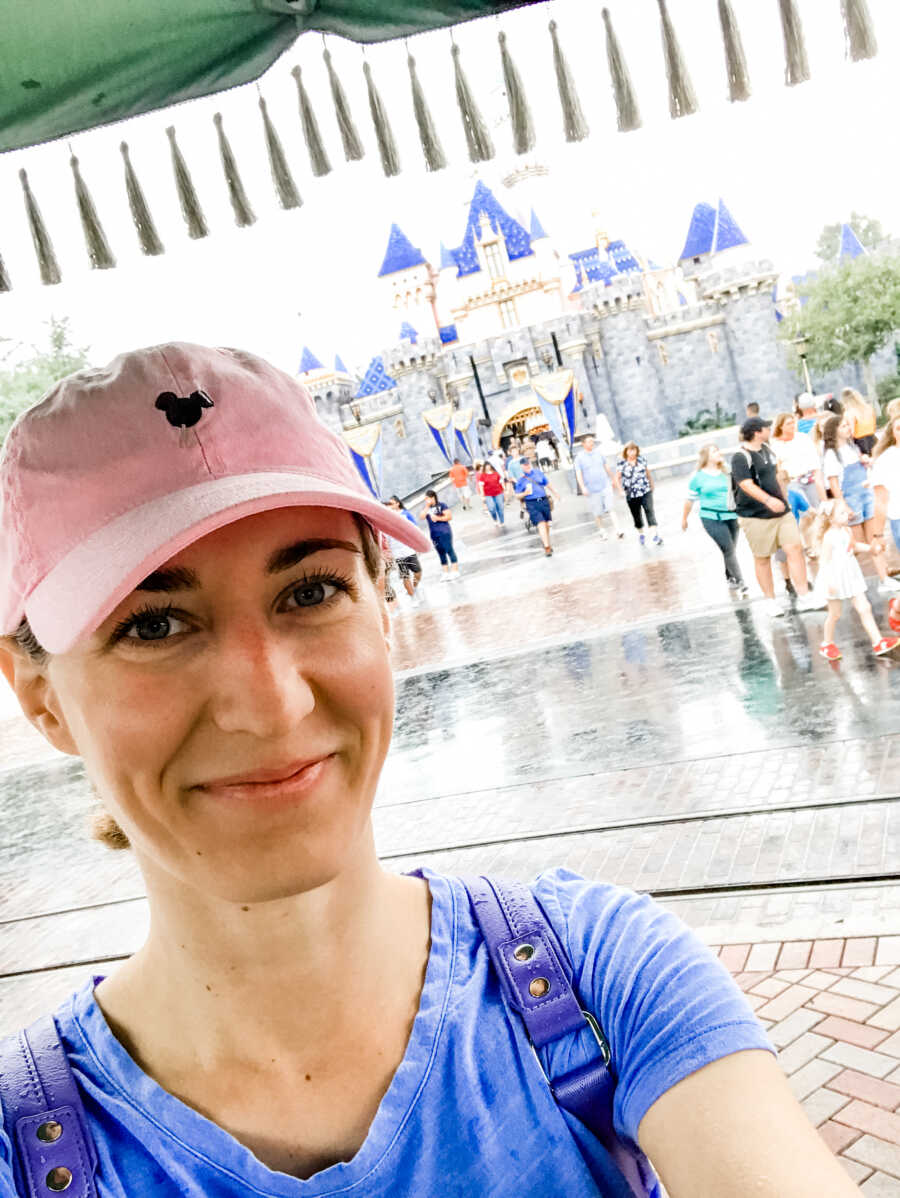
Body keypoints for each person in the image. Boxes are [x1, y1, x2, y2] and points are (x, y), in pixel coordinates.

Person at [0, 343, 863, 1198]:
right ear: (40, 696)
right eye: (155, 626)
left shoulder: (606, 983)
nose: (271, 705)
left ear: (382, 611)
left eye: (309, 593)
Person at [730, 417, 823, 616]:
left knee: (795, 549)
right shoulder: (740, 456)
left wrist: (785, 496)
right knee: (762, 558)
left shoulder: (768, 449)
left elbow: (778, 474)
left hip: (782, 512)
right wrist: (768, 500)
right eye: (766, 427)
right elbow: (745, 484)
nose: (769, 429)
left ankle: (804, 596)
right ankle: (770, 601)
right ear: (756, 431)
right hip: (756, 515)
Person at [821, 413, 899, 595]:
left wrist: (865, 462)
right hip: (850, 498)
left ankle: (884, 577)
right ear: (834, 431)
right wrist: (842, 504)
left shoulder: (852, 447)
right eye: (843, 426)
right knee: (853, 544)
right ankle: (843, 579)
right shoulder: (832, 454)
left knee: (874, 539)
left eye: (848, 426)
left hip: (865, 494)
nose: (848, 429)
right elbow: (833, 482)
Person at [813, 498, 899, 661]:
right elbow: (824, 562)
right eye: (842, 513)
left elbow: (853, 546)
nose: (847, 515)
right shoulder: (829, 537)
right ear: (831, 518)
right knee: (835, 613)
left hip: (850, 575)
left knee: (865, 608)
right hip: (835, 578)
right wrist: (830, 581)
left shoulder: (847, 531)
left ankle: (878, 642)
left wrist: (870, 549)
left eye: (846, 511)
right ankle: (827, 643)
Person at [682, 444, 748, 598]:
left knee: (730, 549)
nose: (719, 452)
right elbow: (689, 500)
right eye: (714, 451)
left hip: (731, 515)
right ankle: (741, 581)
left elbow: (738, 490)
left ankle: (730, 576)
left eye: (719, 449)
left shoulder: (727, 471)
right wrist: (684, 519)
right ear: (706, 456)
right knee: (729, 549)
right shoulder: (697, 477)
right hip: (711, 517)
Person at [770, 412, 825, 509]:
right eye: (788, 424)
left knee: (817, 508)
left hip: (809, 478)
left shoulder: (803, 438)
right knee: (804, 511)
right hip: (792, 482)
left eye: (793, 422)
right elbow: (778, 470)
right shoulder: (776, 445)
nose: (792, 425)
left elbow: (814, 460)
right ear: (780, 427)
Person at [574, 434, 623, 540]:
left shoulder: (599, 453)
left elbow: (607, 467)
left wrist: (613, 480)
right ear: (583, 444)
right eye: (589, 441)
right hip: (592, 489)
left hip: (605, 485)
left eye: (592, 441)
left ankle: (618, 529)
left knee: (611, 508)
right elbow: (579, 474)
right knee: (598, 512)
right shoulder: (579, 458)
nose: (592, 443)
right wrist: (583, 487)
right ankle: (602, 530)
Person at [617, 442, 662, 546]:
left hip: (645, 490)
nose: (632, 452)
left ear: (637, 450)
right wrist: (620, 490)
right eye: (629, 450)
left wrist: (651, 485)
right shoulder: (622, 463)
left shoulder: (642, 460)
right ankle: (641, 534)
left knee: (649, 511)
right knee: (636, 515)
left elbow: (647, 473)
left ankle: (655, 535)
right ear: (626, 452)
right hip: (631, 494)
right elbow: (617, 478)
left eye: (634, 450)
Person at [514, 457, 560, 556]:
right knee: (541, 524)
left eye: (528, 464)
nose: (528, 466)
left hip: (543, 501)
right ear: (522, 467)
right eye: (525, 465)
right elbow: (517, 495)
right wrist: (525, 493)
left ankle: (546, 543)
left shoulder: (538, 472)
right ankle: (547, 547)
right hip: (532, 503)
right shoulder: (521, 480)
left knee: (546, 524)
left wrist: (556, 493)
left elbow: (547, 483)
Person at [385, 496, 424, 606]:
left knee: (418, 571)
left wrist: (417, 544)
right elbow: (386, 538)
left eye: (392, 504)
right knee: (405, 576)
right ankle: (412, 597)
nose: (390, 506)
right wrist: (388, 553)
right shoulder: (386, 520)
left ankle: (415, 586)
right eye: (389, 504)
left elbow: (414, 529)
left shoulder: (405, 514)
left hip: (408, 550)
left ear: (398, 504)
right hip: (397, 554)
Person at [420, 488, 460, 580]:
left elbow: (449, 516)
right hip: (434, 534)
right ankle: (445, 573)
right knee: (440, 552)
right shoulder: (426, 509)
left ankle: (455, 571)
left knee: (449, 550)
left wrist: (438, 518)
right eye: (425, 499)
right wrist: (427, 506)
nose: (427, 500)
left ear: (433, 497)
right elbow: (421, 517)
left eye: (428, 498)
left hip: (444, 531)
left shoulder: (442, 505)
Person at [841, 386, 878, 456]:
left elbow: (851, 431)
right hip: (873, 439)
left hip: (860, 442)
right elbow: (874, 425)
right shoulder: (868, 408)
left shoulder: (849, 412)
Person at [477, 461, 506, 525]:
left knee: (500, 507)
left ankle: (502, 521)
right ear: (484, 467)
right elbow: (481, 485)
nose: (488, 467)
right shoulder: (483, 475)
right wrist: (482, 495)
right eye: (486, 466)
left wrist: (504, 489)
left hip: (498, 492)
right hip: (488, 494)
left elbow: (501, 482)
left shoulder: (496, 473)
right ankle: (495, 519)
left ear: (491, 466)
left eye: (489, 466)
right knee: (491, 508)